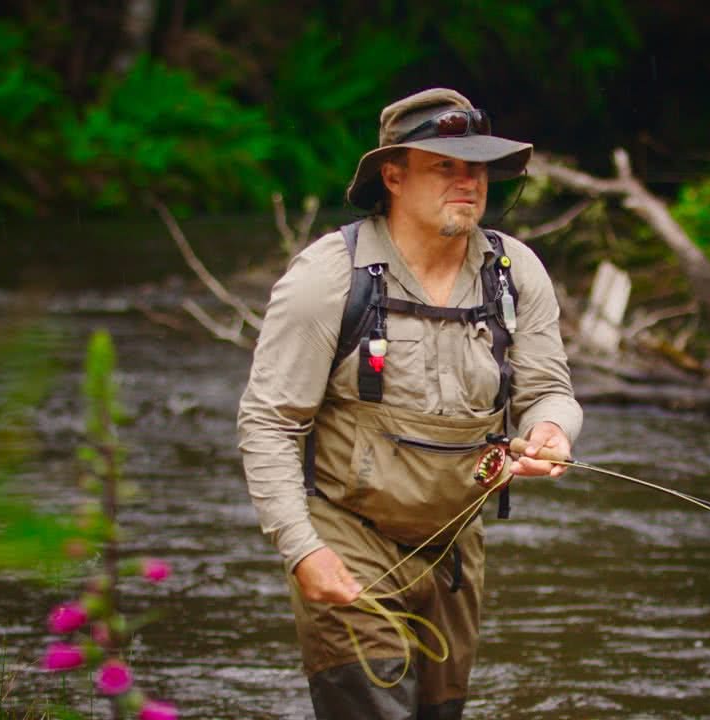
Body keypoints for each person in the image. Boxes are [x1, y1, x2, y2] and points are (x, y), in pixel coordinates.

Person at [237, 88, 583, 719]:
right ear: (392, 176)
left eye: (475, 166)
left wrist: (552, 432)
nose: (466, 181)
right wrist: (301, 548)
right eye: (444, 165)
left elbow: (548, 392)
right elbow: (268, 423)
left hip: (455, 550)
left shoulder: (515, 272)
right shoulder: (327, 278)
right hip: (348, 540)